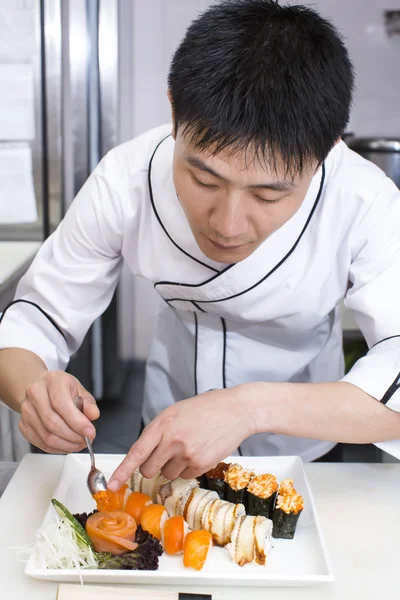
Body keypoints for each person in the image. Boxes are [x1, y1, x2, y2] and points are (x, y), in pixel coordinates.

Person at [0, 0, 400, 493]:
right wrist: (35, 391)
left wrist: (248, 408)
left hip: (304, 451)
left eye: (268, 193)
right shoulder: (126, 179)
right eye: (203, 178)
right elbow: (34, 321)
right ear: (174, 111)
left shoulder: (364, 199)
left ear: (330, 148)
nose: (229, 224)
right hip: (164, 442)